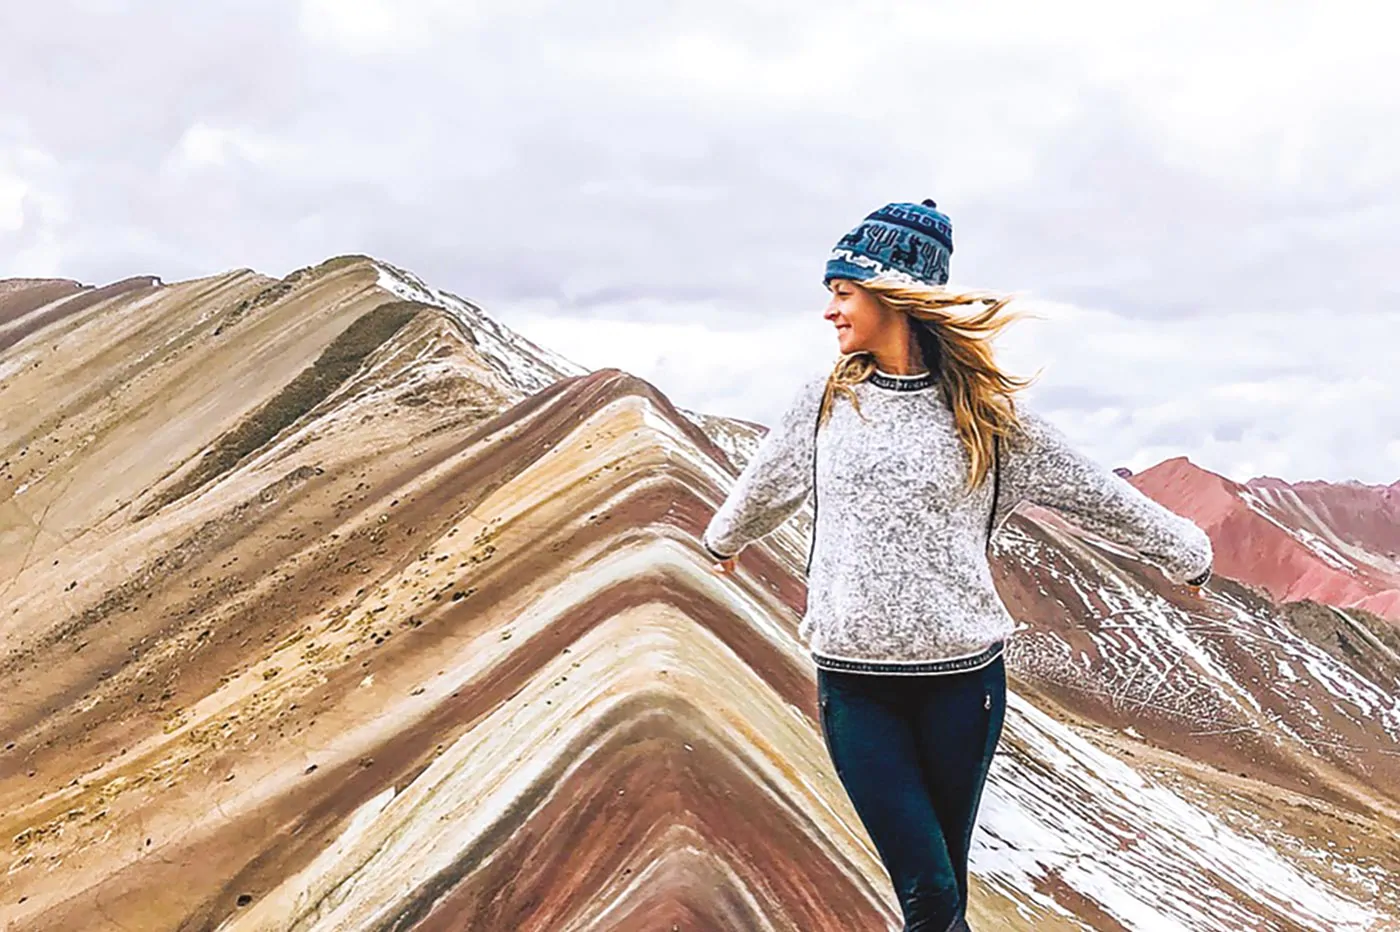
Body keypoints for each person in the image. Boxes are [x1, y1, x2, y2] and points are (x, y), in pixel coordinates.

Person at [698, 198, 1213, 932]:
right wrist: (722, 542)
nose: (829, 311)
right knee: (930, 894)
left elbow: (1098, 495)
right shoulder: (825, 402)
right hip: (856, 686)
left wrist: (1188, 554)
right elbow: (766, 484)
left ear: (893, 296)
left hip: (962, 690)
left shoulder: (989, 420)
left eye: (843, 292)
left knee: (945, 899)